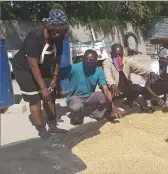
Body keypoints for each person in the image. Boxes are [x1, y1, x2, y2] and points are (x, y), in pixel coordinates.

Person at [10, 9, 69, 139]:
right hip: (23, 68)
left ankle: (53, 126)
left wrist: (54, 77)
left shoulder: (59, 37)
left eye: (62, 31)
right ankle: (42, 129)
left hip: (42, 66)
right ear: (49, 27)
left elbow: (57, 59)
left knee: (49, 96)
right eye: (57, 30)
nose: (59, 34)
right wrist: (42, 88)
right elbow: (32, 65)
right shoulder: (34, 37)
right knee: (35, 98)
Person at [60, 49, 122, 125]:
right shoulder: (74, 68)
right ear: (82, 58)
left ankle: (96, 113)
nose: (87, 61)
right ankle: (76, 114)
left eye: (90, 60)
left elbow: (105, 89)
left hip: (89, 96)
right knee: (77, 110)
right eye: (86, 59)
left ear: (96, 62)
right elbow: (59, 75)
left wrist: (112, 106)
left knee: (104, 97)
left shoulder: (98, 71)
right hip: (75, 97)